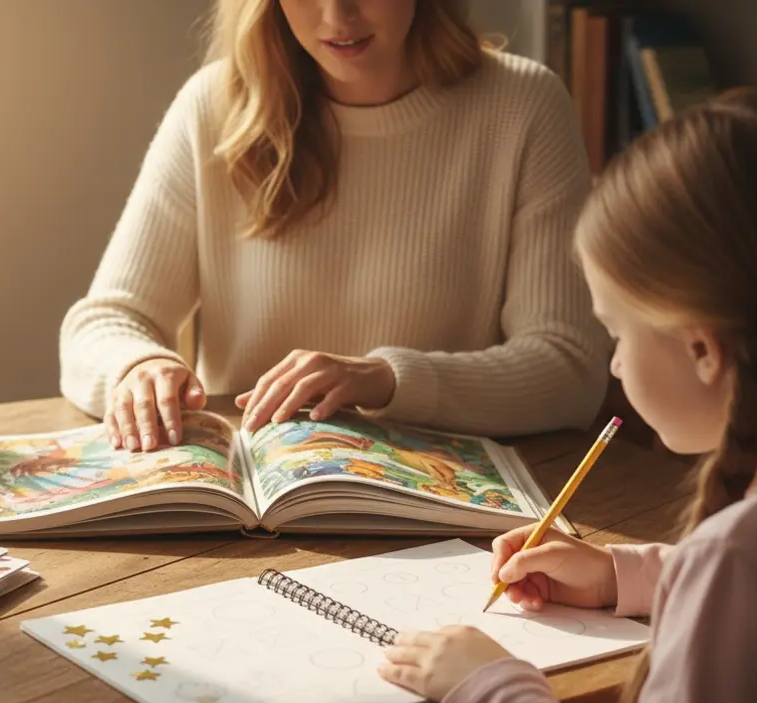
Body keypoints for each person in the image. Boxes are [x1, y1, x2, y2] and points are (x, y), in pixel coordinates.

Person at [377, 90, 757, 703]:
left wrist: (492, 689)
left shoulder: (742, 565)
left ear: (703, 350)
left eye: (617, 333)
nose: (616, 363)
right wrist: (622, 576)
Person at [59, 0, 609, 454]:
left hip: (442, 519)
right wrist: (141, 364)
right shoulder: (214, 106)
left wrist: (387, 379)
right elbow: (105, 322)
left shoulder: (524, 108)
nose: (335, 14)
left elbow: (570, 369)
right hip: (245, 515)